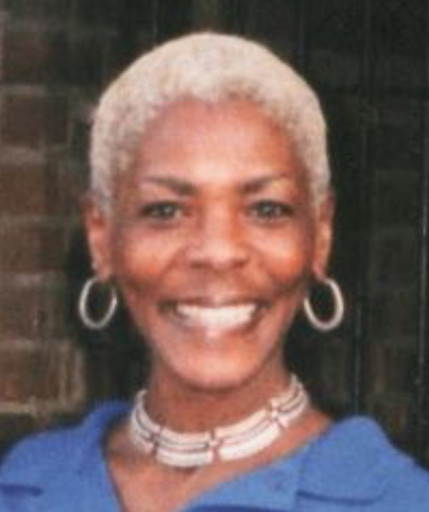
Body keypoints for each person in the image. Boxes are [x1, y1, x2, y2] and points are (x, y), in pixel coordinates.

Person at [0, 32, 428, 512]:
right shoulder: (22, 488)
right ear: (101, 238)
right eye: (165, 210)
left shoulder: (398, 500)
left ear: (320, 236)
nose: (218, 252)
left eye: (266, 209)